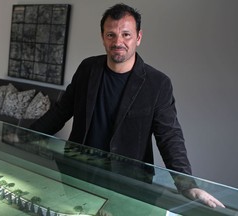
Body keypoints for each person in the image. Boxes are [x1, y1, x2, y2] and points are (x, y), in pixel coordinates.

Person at [30, 3, 224, 208]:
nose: (118, 42)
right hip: (79, 174)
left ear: (138, 37)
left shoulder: (157, 83)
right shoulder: (88, 68)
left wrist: (187, 185)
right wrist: (25, 134)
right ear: (103, 37)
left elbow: (169, 137)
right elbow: (61, 111)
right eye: (111, 35)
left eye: (126, 35)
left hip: (128, 183)